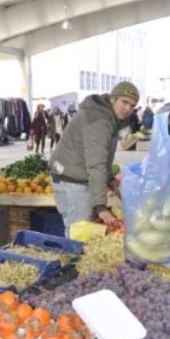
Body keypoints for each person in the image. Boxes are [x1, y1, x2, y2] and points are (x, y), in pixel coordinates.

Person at [49, 82, 138, 236]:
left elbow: (101, 157)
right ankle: (73, 259)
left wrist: (110, 180)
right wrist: (101, 207)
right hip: (71, 182)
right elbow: (96, 165)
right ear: (113, 99)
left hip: (73, 177)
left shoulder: (106, 117)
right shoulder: (100, 121)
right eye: (124, 102)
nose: (128, 109)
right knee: (79, 235)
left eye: (132, 105)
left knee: (83, 232)